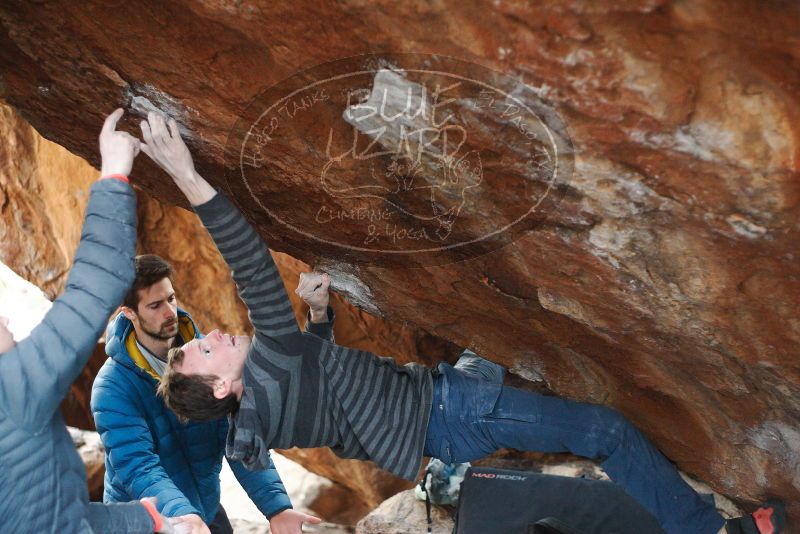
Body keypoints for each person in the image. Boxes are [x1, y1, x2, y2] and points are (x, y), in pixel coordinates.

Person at [140, 112, 786, 534]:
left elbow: (324, 381)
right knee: (606, 433)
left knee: (512, 334)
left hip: (445, 407)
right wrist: (184, 173)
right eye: (205, 352)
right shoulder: (270, 369)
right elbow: (249, 263)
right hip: (452, 410)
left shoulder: (273, 401)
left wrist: (318, 316)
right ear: (226, 388)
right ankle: (711, 530)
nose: (213, 334)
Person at [0, 109, 183, 533]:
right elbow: (97, 283)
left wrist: (150, 519)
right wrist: (115, 173)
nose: (5, 316)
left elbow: (60, 520)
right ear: (131, 314)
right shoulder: (11, 389)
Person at [91, 254, 327, 534]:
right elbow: (138, 467)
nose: (169, 313)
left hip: (203, 509)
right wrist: (183, 514)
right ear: (128, 312)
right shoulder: (111, 389)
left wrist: (276, 507)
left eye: (171, 298)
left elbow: (240, 439)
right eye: (155, 305)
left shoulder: (210, 358)